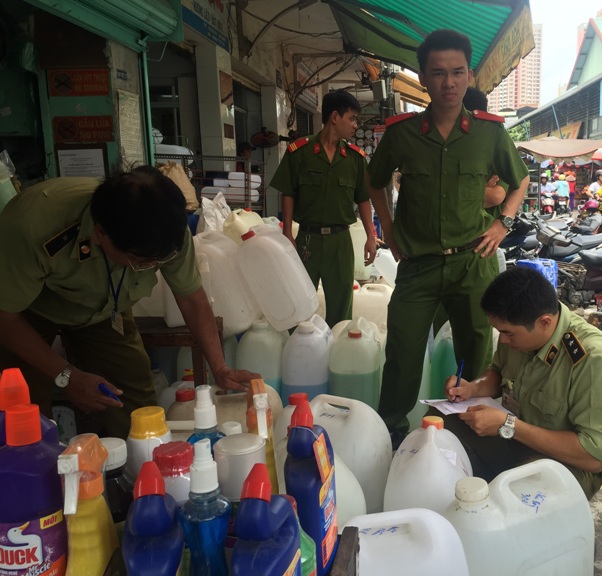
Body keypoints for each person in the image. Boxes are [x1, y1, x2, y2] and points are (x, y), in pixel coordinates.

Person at [0, 167, 257, 438]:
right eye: (143, 261)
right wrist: (66, 376)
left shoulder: (166, 228)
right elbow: (5, 316)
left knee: (136, 399)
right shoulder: (33, 225)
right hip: (28, 308)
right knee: (23, 402)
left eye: (159, 260)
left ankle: (137, 471)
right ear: (101, 234)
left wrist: (220, 367)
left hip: (106, 308)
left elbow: (192, 299)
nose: (153, 266)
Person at [367, 29, 530, 440]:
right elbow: (375, 181)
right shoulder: (402, 133)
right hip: (418, 264)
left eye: (457, 72)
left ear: (470, 75)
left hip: (473, 261)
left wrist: (502, 223)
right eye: (438, 73)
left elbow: (520, 180)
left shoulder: (489, 133)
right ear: (423, 77)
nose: (449, 82)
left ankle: (472, 435)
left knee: (476, 352)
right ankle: (392, 436)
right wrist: (387, 226)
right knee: (402, 353)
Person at [439, 267, 602, 499]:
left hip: (567, 461)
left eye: (508, 334)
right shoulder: (518, 333)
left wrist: (509, 426)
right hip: (516, 438)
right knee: (440, 423)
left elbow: (593, 457)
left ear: (545, 322)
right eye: (499, 332)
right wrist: (472, 388)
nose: (503, 340)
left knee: (522, 488)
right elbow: (497, 372)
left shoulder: (593, 358)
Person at [271, 90, 377, 329]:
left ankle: (336, 354)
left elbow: (363, 200)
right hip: (307, 240)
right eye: (351, 118)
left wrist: (371, 235)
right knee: (299, 301)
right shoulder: (300, 153)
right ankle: (301, 351)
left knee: (341, 306)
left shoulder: (354, 158)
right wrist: (287, 233)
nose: (354, 125)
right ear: (334, 117)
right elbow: (288, 192)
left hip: (340, 241)